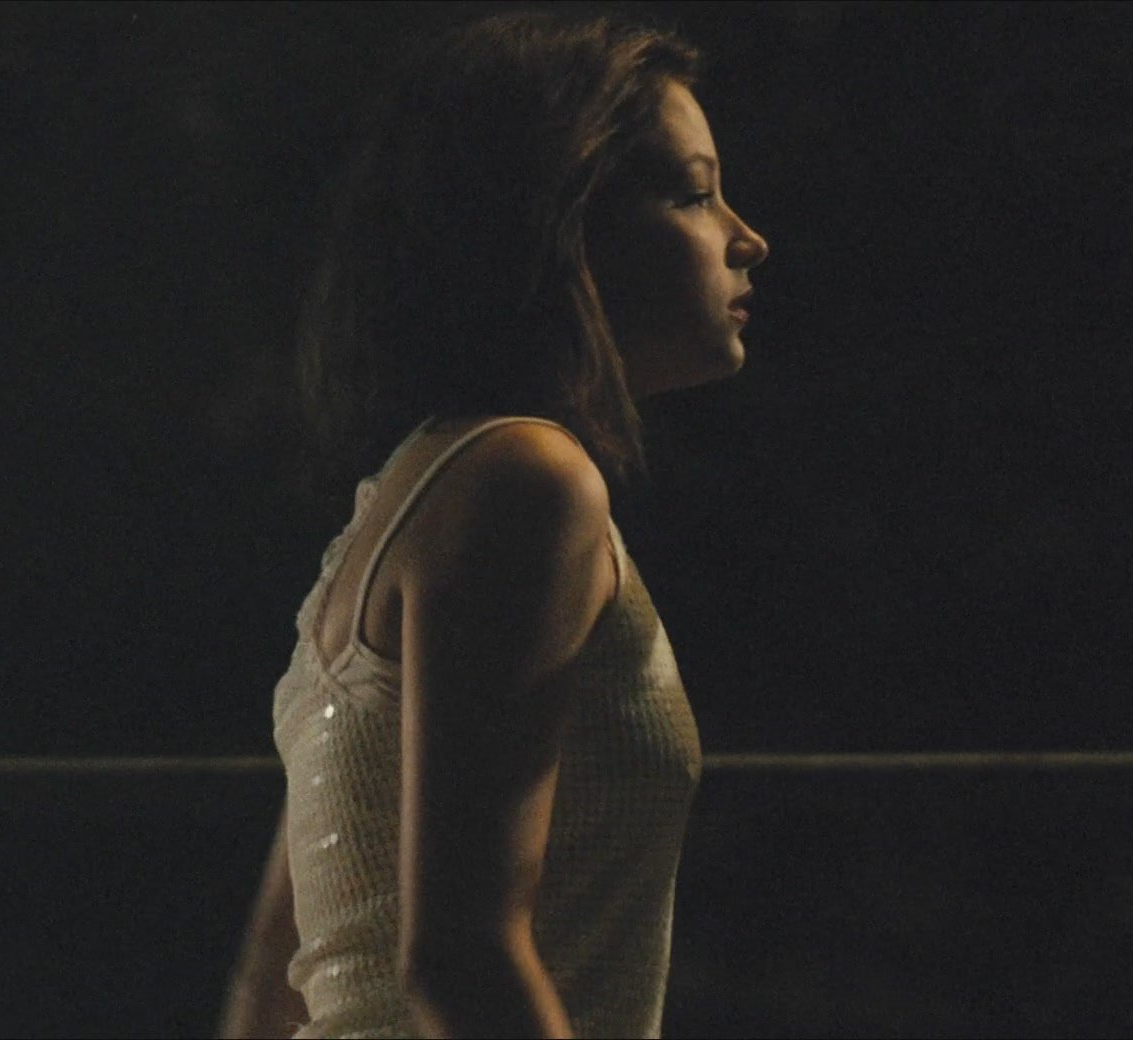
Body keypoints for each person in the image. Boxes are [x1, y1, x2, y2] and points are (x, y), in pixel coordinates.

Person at [217, 9, 768, 1039]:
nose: (747, 238)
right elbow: (462, 957)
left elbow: (267, 988)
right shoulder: (526, 482)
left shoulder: (411, 497)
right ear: (565, 220)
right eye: (694, 193)